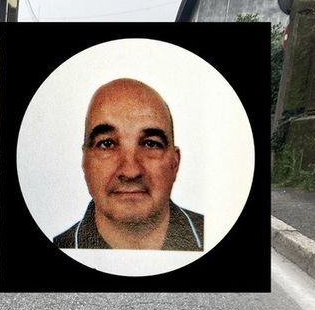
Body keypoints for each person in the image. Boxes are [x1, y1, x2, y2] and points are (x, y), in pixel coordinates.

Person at [53, 78, 203, 251]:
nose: (130, 171)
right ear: (85, 161)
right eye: (107, 144)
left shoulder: (214, 233)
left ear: (175, 162)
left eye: (150, 144)